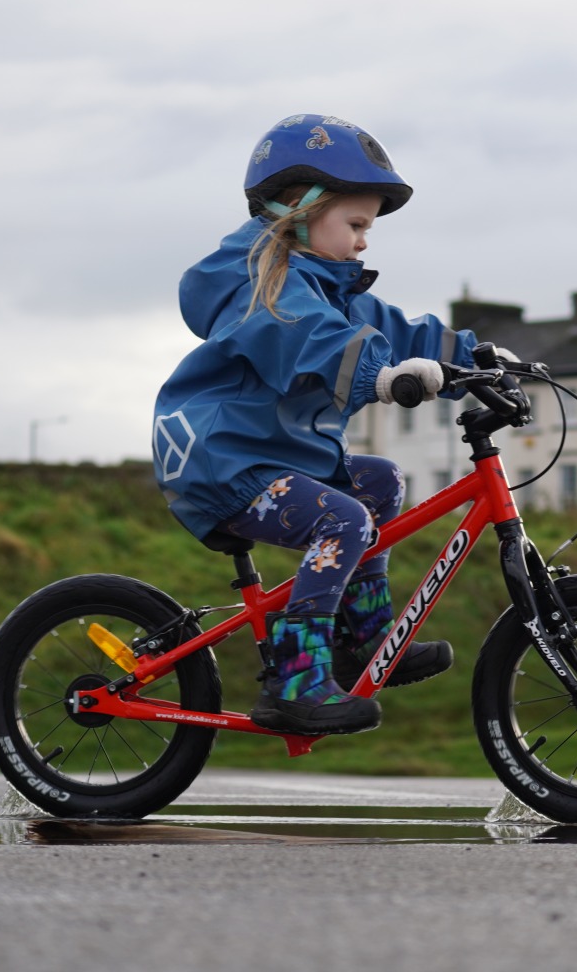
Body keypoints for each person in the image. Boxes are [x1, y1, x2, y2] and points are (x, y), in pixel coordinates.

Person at [151, 113, 482, 737]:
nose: (363, 242)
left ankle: (364, 637)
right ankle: (296, 678)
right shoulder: (259, 281)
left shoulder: (334, 290)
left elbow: (396, 329)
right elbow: (308, 336)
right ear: (299, 209)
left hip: (275, 457)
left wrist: (476, 355)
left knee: (378, 483)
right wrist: (381, 377)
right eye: (356, 225)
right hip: (225, 464)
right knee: (345, 518)